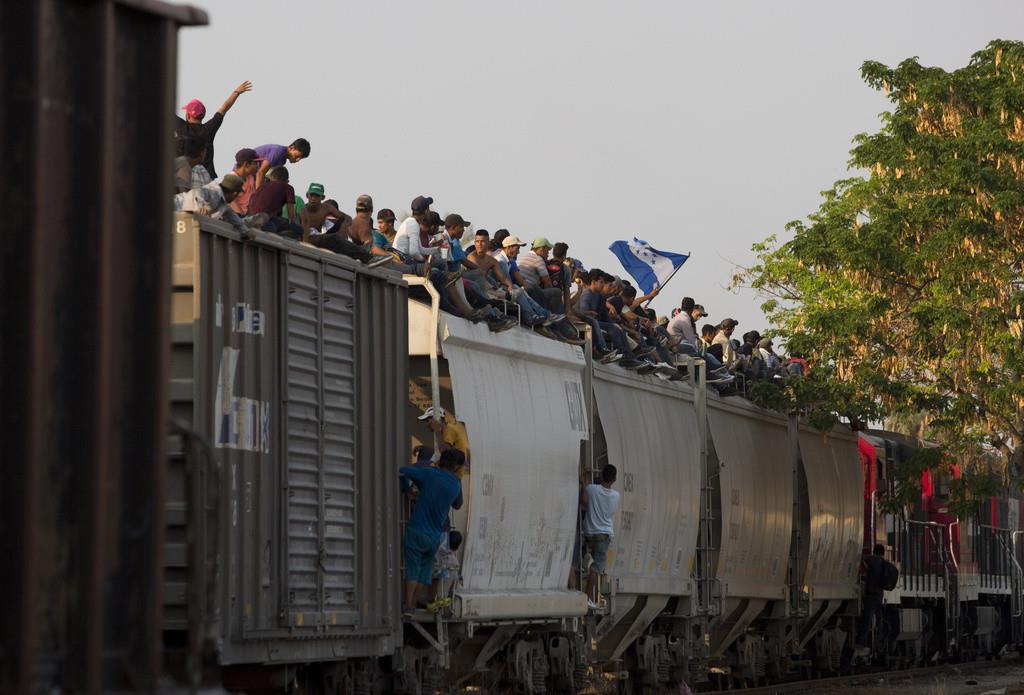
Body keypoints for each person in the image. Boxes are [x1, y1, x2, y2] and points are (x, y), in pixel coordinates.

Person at [400, 449, 465, 614]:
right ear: (457, 466)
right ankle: (413, 604)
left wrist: (410, 489)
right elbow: (458, 504)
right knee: (424, 572)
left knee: (413, 569)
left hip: (417, 529)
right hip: (435, 536)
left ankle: (408, 606)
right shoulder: (456, 484)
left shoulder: (431, 474)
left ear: (441, 460)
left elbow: (404, 470)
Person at [173, 80, 252, 178]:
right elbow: (224, 107)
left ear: (188, 115)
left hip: (185, 176)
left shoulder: (182, 127)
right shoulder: (209, 129)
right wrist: (237, 92)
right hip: (207, 177)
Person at [580, 464, 621, 604]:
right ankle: (587, 597)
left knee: (588, 556)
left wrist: (584, 481)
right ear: (614, 479)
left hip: (589, 533)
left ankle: (586, 559)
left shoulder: (592, 489)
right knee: (596, 569)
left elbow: (584, 500)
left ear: (602, 475)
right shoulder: (616, 496)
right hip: (605, 535)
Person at [173, 175, 248, 236]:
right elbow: (197, 192)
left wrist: (246, 232)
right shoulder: (214, 191)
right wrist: (200, 207)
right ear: (235, 193)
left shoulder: (223, 204)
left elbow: (235, 219)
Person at [247, 166, 301, 239]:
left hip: (252, 219)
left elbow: (250, 203)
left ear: (271, 177)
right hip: (266, 223)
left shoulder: (262, 186)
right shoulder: (288, 187)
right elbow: (291, 215)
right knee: (299, 229)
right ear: (286, 181)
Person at [857, 544, 887, 648]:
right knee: (878, 620)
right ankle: (880, 641)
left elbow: (861, 557)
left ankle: (860, 643)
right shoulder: (884, 562)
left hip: (871, 596)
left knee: (866, 620)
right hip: (880, 596)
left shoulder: (874, 559)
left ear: (875, 551)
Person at [224, 148, 263, 214]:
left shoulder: (250, 178)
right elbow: (231, 201)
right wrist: (242, 217)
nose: (258, 166)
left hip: (245, 216)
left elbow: (250, 200)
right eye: (256, 163)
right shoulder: (232, 178)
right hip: (233, 216)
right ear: (247, 164)